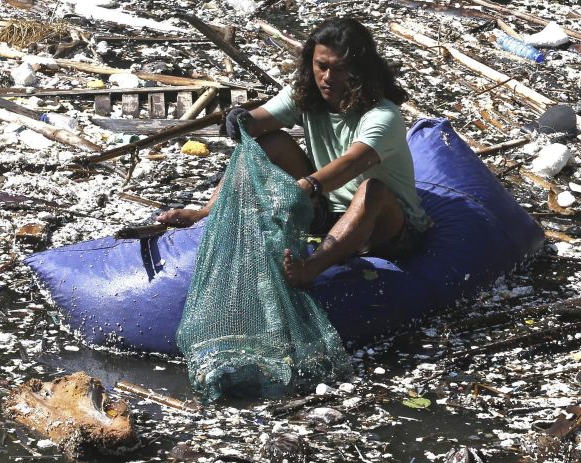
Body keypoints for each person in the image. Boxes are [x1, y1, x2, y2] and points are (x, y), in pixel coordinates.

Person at [157, 18, 432, 287]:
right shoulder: (305, 94)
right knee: (270, 142)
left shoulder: (382, 115)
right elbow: (260, 121)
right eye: (321, 67)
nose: (327, 78)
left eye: (340, 70)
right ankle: (206, 212)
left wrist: (308, 186)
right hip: (326, 210)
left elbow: (352, 163)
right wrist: (241, 120)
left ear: (360, 71)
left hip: (386, 228)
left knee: (372, 189)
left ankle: (311, 268)